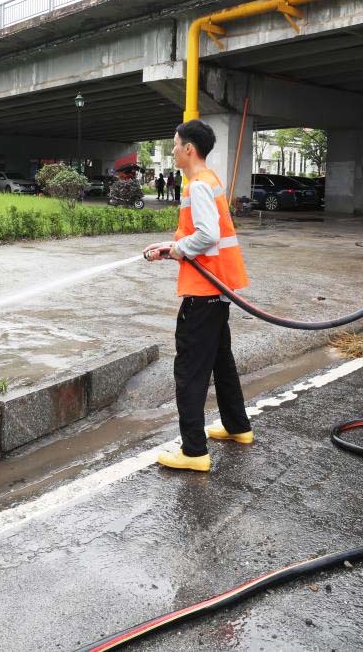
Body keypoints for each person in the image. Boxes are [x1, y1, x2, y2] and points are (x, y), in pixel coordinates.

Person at [143, 119, 252, 472]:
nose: (173, 150)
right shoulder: (209, 181)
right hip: (217, 290)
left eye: (175, 144)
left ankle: (193, 451)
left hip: (203, 294)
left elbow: (206, 236)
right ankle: (238, 427)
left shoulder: (196, 186)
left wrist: (177, 249)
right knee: (222, 361)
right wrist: (171, 247)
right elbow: (202, 238)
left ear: (189, 148)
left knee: (189, 371)